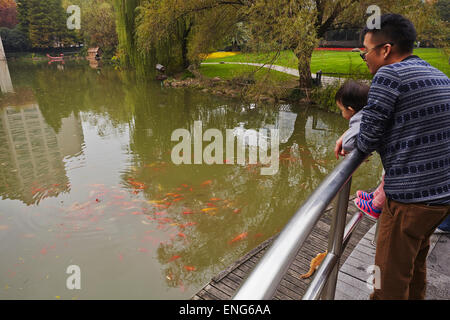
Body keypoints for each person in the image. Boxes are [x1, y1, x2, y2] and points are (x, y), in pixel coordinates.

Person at [335, 13, 450, 300]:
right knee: (413, 267)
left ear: (385, 50)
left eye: (366, 52)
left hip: (411, 199)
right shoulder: (436, 73)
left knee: (385, 278)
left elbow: (369, 136)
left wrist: (349, 138)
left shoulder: (390, 74)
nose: (367, 60)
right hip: (441, 197)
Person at [334, 81, 385, 220]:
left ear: (350, 109)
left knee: (389, 179)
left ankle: (375, 206)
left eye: (342, 110)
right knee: (386, 178)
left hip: (398, 161)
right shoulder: (372, 110)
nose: (342, 113)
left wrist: (354, 145)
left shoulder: (360, 118)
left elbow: (348, 143)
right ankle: (375, 196)